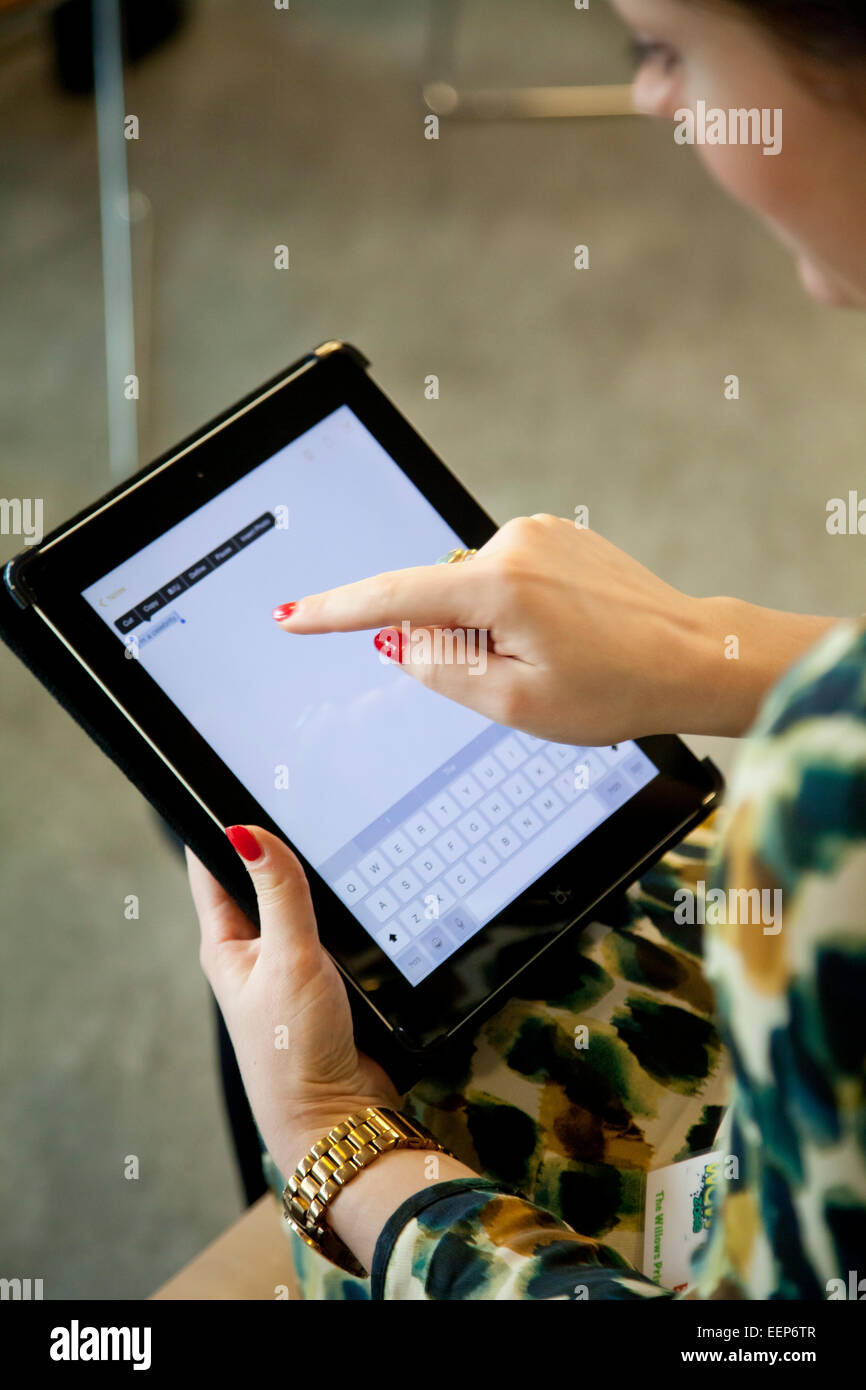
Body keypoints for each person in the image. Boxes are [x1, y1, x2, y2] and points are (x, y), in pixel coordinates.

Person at [187, 0, 866, 1299]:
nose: (656, 99)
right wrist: (709, 652)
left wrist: (333, 1138)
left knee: (289, 1006)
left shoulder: (817, 814)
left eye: (662, 46)